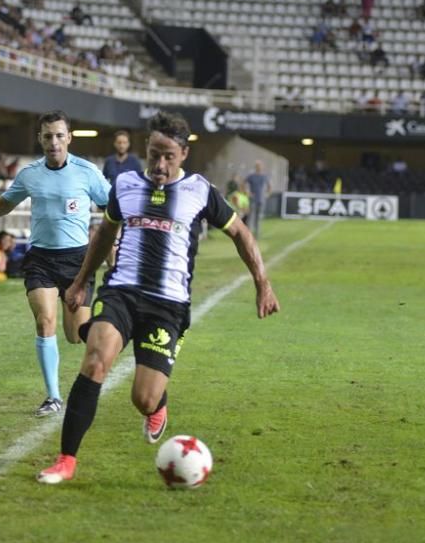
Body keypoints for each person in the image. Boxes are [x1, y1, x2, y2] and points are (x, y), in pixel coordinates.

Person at [37, 111, 280, 484]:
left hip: (168, 305)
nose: (159, 164)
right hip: (120, 292)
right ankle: (66, 459)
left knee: (144, 399)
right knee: (95, 362)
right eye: (154, 154)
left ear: (183, 153)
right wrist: (80, 282)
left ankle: (158, 406)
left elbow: (241, 234)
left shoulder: (200, 191)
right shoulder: (126, 184)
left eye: (168, 156)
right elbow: (104, 234)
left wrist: (262, 284)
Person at [0, 110, 110, 417]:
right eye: (47, 136)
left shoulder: (87, 172)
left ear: (69, 138)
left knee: (75, 335)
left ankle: (110, 337)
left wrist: (112, 254)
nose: (53, 142)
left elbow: (114, 210)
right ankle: (53, 397)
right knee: (45, 321)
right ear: (39, 139)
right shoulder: (30, 174)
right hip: (41, 259)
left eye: (59, 135)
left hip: (78, 263)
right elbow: (4, 205)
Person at [245, 160, 271, 239]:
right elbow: (243, 184)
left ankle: (257, 234)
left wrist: (267, 194)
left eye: (260, 166)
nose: (259, 167)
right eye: (257, 166)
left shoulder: (264, 176)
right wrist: (247, 192)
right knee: (251, 216)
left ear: (262, 167)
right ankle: (248, 234)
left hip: (261, 199)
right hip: (252, 199)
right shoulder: (251, 176)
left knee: (258, 217)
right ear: (255, 167)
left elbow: (269, 186)